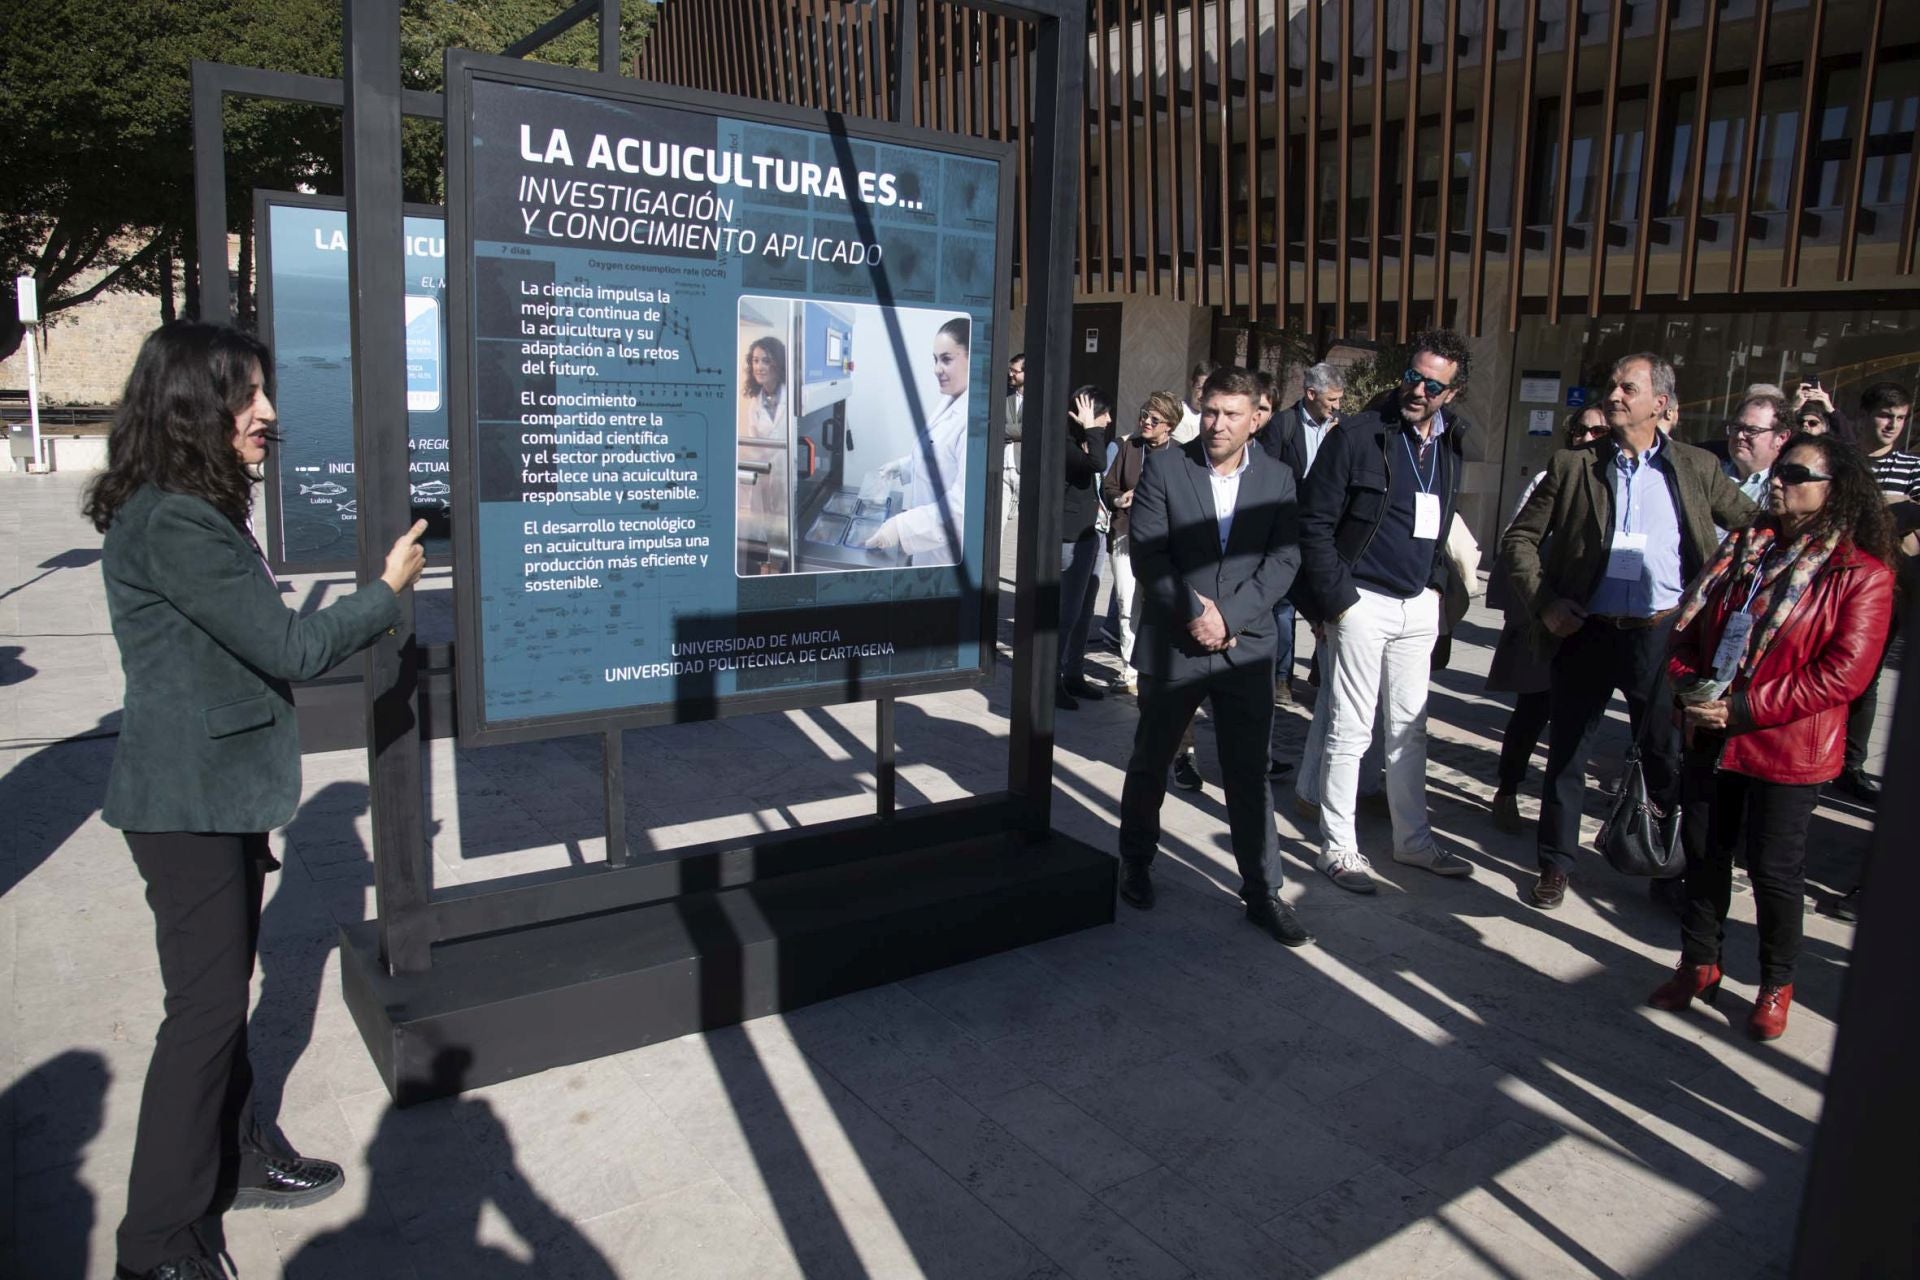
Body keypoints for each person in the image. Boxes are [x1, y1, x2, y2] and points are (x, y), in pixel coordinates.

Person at [84, 323, 429, 1280]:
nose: (268, 413)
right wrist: (385, 593)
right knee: (199, 1018)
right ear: (194, 403)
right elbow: (289, 649)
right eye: (248, 395)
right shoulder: (175, 522)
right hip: (185, 807)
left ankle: (234, 1159)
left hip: (216, 797)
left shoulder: (190, 508)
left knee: (219, 1004)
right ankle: (156, 1244)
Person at [1651, 434, 1896, 1040]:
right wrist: (1693, 691)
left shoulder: (1860, 573)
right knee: (1705, 857)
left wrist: (1740, 709)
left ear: (1835, 489)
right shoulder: (1743, 552)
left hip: (1786, 747)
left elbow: (1845, 674)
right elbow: (1686, 638)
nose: (1779, 480)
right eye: (1779, 469)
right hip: (1712, 732)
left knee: (1773, 870)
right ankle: (1699, 963)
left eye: (1797, 472)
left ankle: (1776, 983)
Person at [1501, 353, 1758, 910]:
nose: (1614, 395)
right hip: (1586, 631)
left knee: (1665, 754)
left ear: (1660, 403)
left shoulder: (1694, 467)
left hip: (1661, 635)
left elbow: (1753, 528)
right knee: (1568, 752)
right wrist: (1545, 603)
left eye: (1628, 388)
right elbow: (1517, 540)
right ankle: (1555, 865)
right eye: (1613, 386)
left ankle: (1664, 863)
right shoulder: (1573, 466)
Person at [1116, 366, 1312, 946]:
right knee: (1151, 760)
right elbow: (1149, 555)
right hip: (1176, 642)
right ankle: (1136, 861)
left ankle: (1263, 893)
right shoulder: (1167, 467)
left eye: (1232, 414)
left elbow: (1283, 560)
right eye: (1210, 411)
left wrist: (1232, 617)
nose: (1217, 424)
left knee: (1248, 773)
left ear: (1258, 418)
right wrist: (1197, 614)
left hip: (1245, 650)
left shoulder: (1277, 479)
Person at [1295, 330, 1479, 893]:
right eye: (1412, 377)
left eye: (1431, 383)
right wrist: (1339, 602)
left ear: (1453, 390)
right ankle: (1339, 848)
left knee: (1410, 731)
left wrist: (1438, 589)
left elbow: (1441, 523)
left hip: (1417, 605)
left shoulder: (1451, 443)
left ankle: (1412, 842)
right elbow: (1313, 524)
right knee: (1349, 730)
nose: (1417, 390)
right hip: (1362, 601)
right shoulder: (1358, 436)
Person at [1487, 405, 1611, 832]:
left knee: (1576, 722)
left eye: (1598, 430)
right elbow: (1517, 542)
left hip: (1597, 618)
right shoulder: (1550, 478)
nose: (1588, 436)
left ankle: (1560, 817)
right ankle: (1507, 789)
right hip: (1548, 612)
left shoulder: (1618, 483)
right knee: (1532, 709)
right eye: (1581, 429)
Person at [1835, 381, 1918, 802]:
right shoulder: (1841, 461)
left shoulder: (1913, 467)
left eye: (1901, 418)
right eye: (1886, 415)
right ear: (1864, 416)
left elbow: (1913, 538)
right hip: (1832, 583)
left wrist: (1879, 515)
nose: (1893, 425)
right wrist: (1892, 509)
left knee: (1866, 680)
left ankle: (1851, 764)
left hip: (1885, 590)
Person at [1259, 361, 1345, 706]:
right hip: (1288, 528)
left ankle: (1323, 671)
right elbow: (1267, 475)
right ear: (1310, 394)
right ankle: (1282, 678)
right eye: (1331, 399)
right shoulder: (1284, 425)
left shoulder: (1341, 429)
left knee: (1327, 601)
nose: (1336, 406)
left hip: (1324, 533)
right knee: (1283, 605)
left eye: (1339, 399)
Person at [866, 316, 970, 566]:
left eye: (946, 359)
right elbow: (938, 458)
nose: (937, 369)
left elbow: (960, 508)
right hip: (927, 548)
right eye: (935, 360)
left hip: (946, 555)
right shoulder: (949, 401)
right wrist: (903, 466)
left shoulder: (971, 421)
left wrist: (899, 528)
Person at [1102, 390, 1182, 694]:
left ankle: (1157, 665)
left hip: (1162, 541)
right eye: (1144, 414)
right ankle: (1130, 672)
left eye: (1154, 418)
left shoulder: (1180, 454)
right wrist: (1119, 498)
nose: (1146, 421)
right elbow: (1109, 485)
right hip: (1125, 535)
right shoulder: (1130, 447)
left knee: (1159, 603)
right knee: (1127, 602)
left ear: (1169, 425)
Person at [1057, 384, 1114, 708]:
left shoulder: (1085, 440)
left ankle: (1074, 674)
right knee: (1066, 614)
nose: (1107, 420)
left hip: (1092, 534)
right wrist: (1092, 428)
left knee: (1083, 613)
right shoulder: (1065, 443)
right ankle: (1050, 679)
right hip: (1070, 538)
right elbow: (1096, 464)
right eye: (1101, 413)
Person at [1721, 392, 1791, 505]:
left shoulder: (1783, 488)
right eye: (1737, 428)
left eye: (1752, 430)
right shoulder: (1710, 474)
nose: (1740, 436)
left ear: (1781, 438)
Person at [739, 335, 788, 434]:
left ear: (779, 363)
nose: (759, 367)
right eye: (755, 361)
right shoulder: (754, 405)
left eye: (766, 361)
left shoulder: (792, 396)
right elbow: (754, 446)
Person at [1004, 351, 1025, 524]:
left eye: (1014, 371)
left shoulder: (1038, 399)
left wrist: (1002, 430)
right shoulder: (1004, 396)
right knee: (999, 523)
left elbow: (1030, 429)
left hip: (1023, 468)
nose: (1010, 374)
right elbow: (993, 425)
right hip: (1003, 466)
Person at [1174, 362, 1217, 444]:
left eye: (1208, 389)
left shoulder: (1219, 417)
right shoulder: (1178, 413)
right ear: (1191, 385)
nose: (1203, 395)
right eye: (1199, 388)